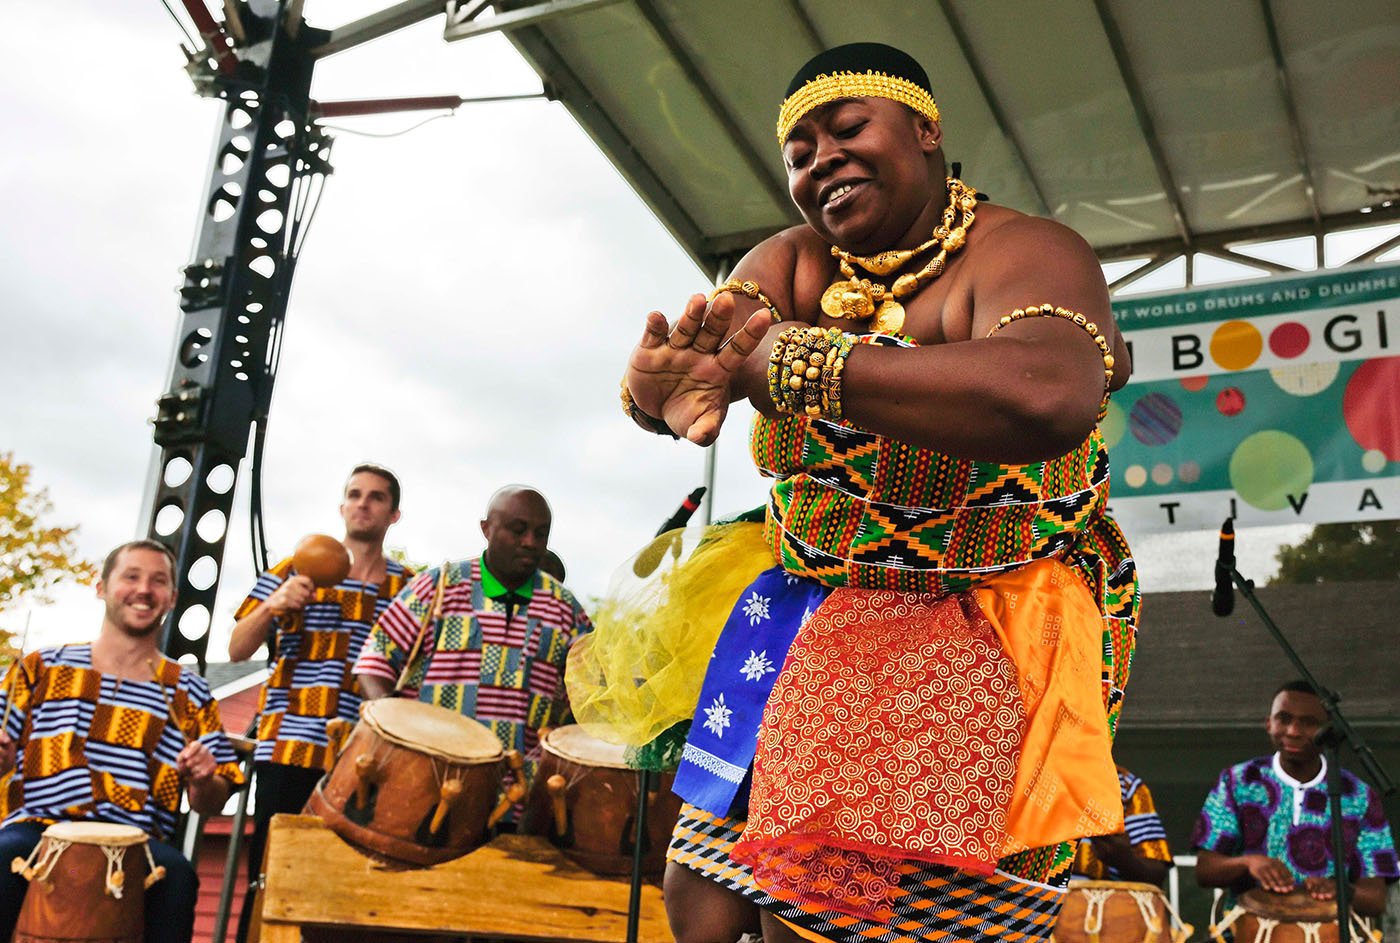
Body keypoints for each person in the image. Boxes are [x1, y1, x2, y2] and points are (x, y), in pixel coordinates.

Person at [615, 42, 1141, 943]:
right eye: (799, 151)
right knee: (700, 896)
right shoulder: (789, 262)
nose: (821, 157)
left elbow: (1050, 390)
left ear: (926, 130)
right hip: (813, 599)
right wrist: (655, 393)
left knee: (840, 918)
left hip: (975, 613)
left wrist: (814, 361)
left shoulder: (1024, 251)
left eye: (847, 127)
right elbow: (720, 349)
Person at [0, 540, 244, 943]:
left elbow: (211, 801)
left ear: (172, 598)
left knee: (179, 878)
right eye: (131, 576)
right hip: (38, 828)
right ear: (101, 587)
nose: (144, 589)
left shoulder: (189, 691)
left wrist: (203, 779)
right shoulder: (42, 666)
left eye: (158, 580)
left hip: (138, 842)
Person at [228, 463, 412, 942]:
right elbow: (236, 650)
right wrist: (274, 605)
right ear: (341, 507)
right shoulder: (294, 568)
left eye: (375, 497)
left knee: (348, 888)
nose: (363, 504)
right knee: (269, 876)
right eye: (354, 494)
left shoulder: (408, 587)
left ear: (393, 515)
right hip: (288, 745)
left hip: (366, 759)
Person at [354, 486, 592, 789]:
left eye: (541, 533)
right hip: (427, 780)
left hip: (522, 792)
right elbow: (374, 661)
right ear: (486, 528)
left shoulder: (565, 608)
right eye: (518, 530)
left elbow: (590, 695)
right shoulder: (437, 587)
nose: (530, 542)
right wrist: (396, 731)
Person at [1193, 680, 1398, 918]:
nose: (1293, 731)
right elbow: (1205, 871)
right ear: (1268, 723)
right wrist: (1249, 863)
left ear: (1328, 731)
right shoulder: (1239, 781)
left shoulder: (1358, 796)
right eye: (1284, 718)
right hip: (1248, 933)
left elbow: (1375, 900)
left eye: (1309, 723)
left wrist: (1342, 890)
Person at [1072, 765, 1172, 886]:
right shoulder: (1045, 780)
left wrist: (1124, 858)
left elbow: (1156, 873)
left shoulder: (1126, 785)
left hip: (1107, 900)